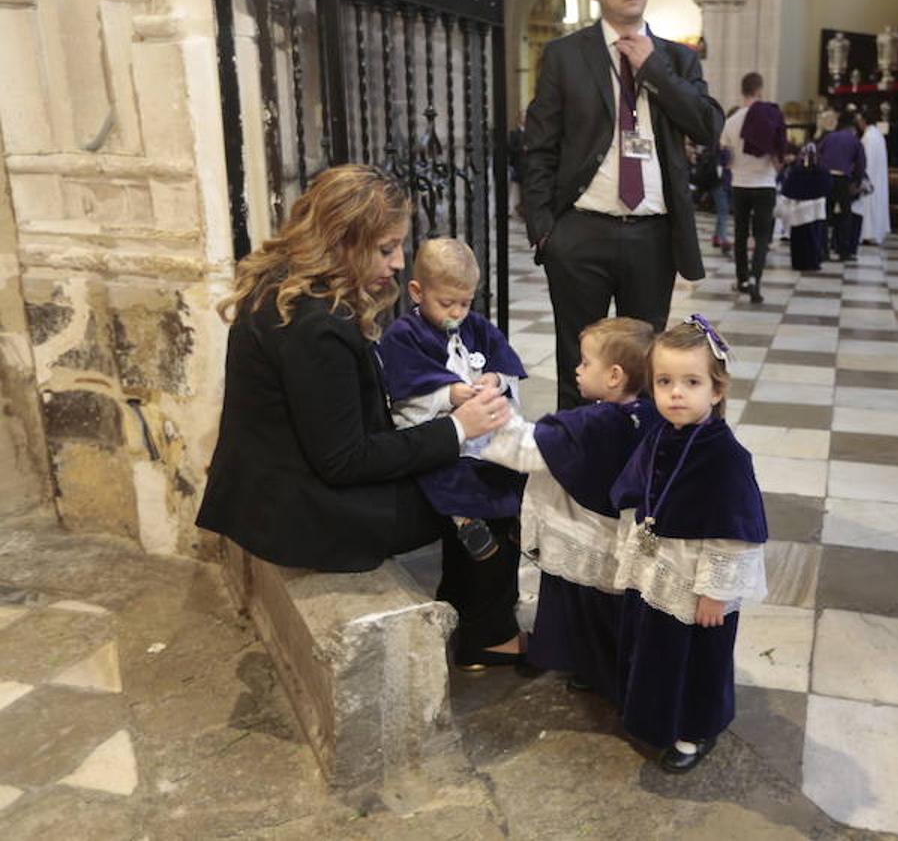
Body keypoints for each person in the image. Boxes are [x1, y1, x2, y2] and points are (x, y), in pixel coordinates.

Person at [195, 165, 524, 669]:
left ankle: (467, 611)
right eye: (386, 248)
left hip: (281, 486)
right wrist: (460, 427)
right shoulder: (314, 325)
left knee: (455, 464)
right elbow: (344, 461)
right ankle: (488, 634)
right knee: (490, 480)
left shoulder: (283, 286)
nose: (396, 263)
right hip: (308, 513)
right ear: (343, 239)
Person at [523, 0, 724, 410]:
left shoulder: (676, 59)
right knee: (579, 365)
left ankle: (635, 471)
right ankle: (577, 469)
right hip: (581, 233)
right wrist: (545, 231)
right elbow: (539, 148)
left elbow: (708, 125)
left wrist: (652, 68)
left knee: (643, 367)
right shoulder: (566, 56)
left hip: (653, 236)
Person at [610, 317, 768, 772]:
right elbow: (637, 488)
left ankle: (694, 728)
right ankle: (653, 714)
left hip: (698, 582)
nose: (675, 393)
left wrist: (716, 590)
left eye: (691, 382)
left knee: (696, 659)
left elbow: (736, 530)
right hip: (660, 567)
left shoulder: (725, 457)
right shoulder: (662, 434)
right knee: (657, 648)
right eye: (664, 382)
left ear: (716, 391)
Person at [482, 317, 657, 701]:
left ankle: (608, 680)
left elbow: (527, 448)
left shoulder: (594, 422)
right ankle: (597, 672)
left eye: (585, 363)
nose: (576, 370)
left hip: (587, 529)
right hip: (620, 533)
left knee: (586, 609)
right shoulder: (648, 413)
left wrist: (492, 412)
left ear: (613, 376)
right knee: (610, 610)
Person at [376, 237, 528, 571]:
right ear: (417, 292)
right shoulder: (404, 335)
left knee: (516, 461)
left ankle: (517, 516)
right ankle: (465, 521)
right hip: (438, 432)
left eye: (465, 302)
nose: (457, 313)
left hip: (483, 430)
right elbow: (404, 390)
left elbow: (504, 363)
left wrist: (496, 380)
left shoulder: (475, 325)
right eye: (447, 303)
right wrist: (448, 395)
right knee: (446, 474)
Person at [721, 72, 785, 303]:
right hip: (765, 184)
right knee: (761, 236)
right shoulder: (771, 117)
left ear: (742, 91)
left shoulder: (731, 121)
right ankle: (756, 279)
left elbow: (725, 159)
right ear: (760, 90)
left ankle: (742, 280)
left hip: (740, 185)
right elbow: (778, 157)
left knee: (740, 233)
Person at [816, 109, 866, 261]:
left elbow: (818, 154)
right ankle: (843, 251)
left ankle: (823, 251)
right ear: (852, 129)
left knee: (824, 214)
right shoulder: (855, 141)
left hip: (825, 177)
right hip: (843, 179)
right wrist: (857, 182)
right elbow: (861, 164)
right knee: (845, 216)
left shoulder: (829, 137)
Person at [778, 142, 832, 272]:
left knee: (799, 238)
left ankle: (799, 262)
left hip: (798, 210)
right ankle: (814, 261)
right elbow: (828, 187)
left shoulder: (796, 171)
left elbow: (787, 189)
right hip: (816, 209)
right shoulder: (822, 171)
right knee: (815, 237)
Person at [853, 109, 892, 245]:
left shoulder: (869, 137)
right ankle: (873, 232)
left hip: (870, 178)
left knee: (867, 205)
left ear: (863, 121)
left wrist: (859, 177)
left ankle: (867, 233)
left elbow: (866, 160)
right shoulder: (878, 135)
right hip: (877, 178)